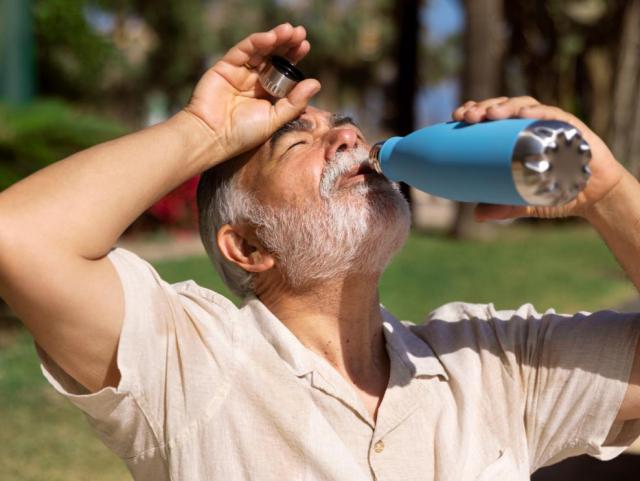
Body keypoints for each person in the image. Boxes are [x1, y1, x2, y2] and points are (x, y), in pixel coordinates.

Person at [0, 23, 639, 481]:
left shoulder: (497, 367)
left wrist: (605, 193)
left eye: (342, 126)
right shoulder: (190, 364)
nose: (348, 137)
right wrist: (201, 132)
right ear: (248, 246)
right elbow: (19, 236)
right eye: (295, 142)